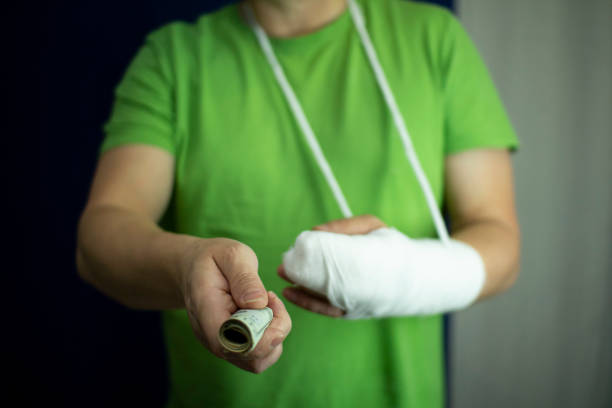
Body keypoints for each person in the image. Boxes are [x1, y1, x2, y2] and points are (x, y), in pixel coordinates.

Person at [76, 0, 520, 406]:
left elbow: (500, 242)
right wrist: (187, 265)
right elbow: (100, 241)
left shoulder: (432, 37)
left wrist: (401, 274)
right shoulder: (174, 57)